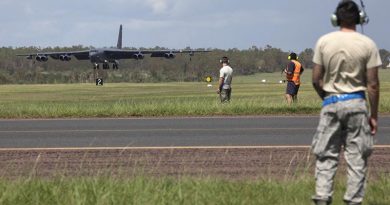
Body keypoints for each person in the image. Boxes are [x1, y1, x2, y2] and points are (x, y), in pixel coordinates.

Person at [311, 1, 381, 205]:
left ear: (335, 19)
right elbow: (373, 85)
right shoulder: (368, 44)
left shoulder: (324, 41)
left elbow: (316, 79)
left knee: (326, 156)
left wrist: (327, 97)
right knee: (357, 158)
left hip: (331, 102)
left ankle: (322, 198)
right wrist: (374, 115)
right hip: (357, 105)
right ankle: (353, 200)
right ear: (359, 19)